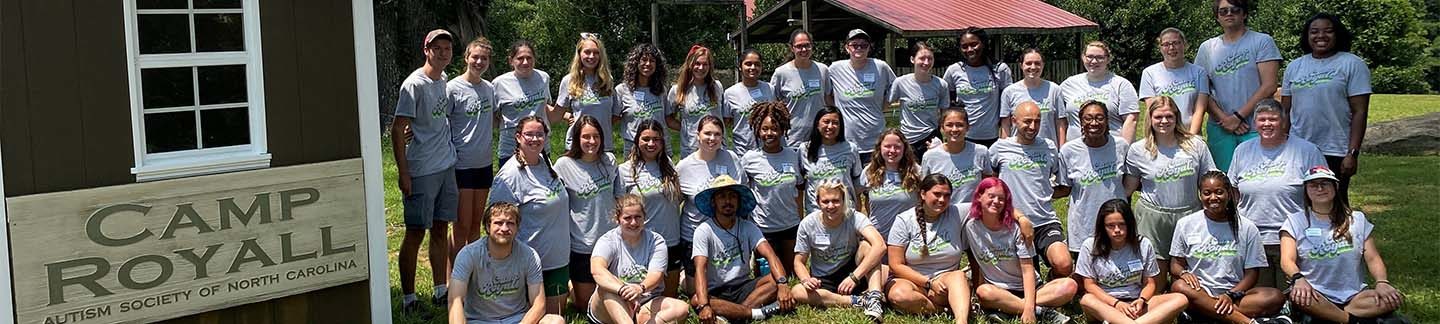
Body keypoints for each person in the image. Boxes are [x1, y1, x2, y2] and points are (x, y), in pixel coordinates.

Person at [1281, 167, 1405, 324]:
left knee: (1393, 298)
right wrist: (1298, 279)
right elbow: (1287, 260)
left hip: (1355, 296)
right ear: (1305, 190)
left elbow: (1373, 258)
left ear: (1336, 187)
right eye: (1313, 185)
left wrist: (1382, 282)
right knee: (1300, 297)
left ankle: (1334, 315)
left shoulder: (1357, 220)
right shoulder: (1294, 221)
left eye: (1325, 183)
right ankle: (1353, 321)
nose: (1320, 188)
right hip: (1315, 294)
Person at [1170, 171, 1290, 324]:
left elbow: (1252, 273)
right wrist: (1183, 272)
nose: (1213, 198)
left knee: (1274, 297)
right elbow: (1175, 264)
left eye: (1219, 192)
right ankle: (1247, 322)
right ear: (1200, 195)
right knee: (1179, 286)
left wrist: (1230, 295)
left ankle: (1206, 313)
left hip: (1235, 295)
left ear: (1229, 193)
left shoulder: (1247, 227)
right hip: (1199, 291)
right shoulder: (1186, 224)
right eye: (1207, 193)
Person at [1229, 100, 1326, 288]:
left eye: (1272, 119)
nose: (1267, 124)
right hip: (1252, 236)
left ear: (1283, 121)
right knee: (1262, 298)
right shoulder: (1243, 151)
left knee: (1292, 296)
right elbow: (1233, 191)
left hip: (1292, 236)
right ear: (1255, 122)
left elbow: (1322, 191)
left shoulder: (1306, 151)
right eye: (1262, 119)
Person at [1123, 96, 1217, 287]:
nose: (1164, 121)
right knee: (1155, 281)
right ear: (1150, 118)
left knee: (1186, 278)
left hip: (1189, 214)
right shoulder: (1138, 150)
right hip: (1153, 217)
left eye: (1169, 116)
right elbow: (1128, 189)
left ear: (1177, 117)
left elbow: (1209, 182)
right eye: (1158, 117)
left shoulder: (1196, 144)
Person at [394, 29, 458, 312]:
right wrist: (404, 172)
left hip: (446, 165)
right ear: (426, 49)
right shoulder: (414, 85)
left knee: (441, 228)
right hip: (421, 170)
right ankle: (409, 299)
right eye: (437, 48)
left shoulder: (443, 80)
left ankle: (440, 290)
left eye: (447, 48)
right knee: (415, 232)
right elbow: (398, 128)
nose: (443, 53)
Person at [1280, 13, 1372, 204]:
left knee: (1334, 202)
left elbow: (1360, 112)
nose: (1320, 36)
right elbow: (1286, 111)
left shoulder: (1352, 64)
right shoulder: (1295, 66)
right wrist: (1281, 146)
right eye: (1314, 32)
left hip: (1335, 149)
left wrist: (1352, 153)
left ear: (1337, 34)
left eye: (1328, 31)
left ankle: (1341, 234)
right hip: (1299, 147)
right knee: (1300, 200)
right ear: (1307, 36)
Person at [490, 116, 572, 314]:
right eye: (529, 134)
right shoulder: (509, 176)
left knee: (558, 311)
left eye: (539, 134)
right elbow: (497, 226)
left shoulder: (544, 161)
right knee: (544, 316)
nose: (535, 139)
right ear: (518, 137)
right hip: (531, 265)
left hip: (558, 260)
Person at [966, 177, 1077, 324]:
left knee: (1070, 286)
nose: (996, 202)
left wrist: (1029, 307)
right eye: (991, 196)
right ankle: (1042, 312)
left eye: (1001, 198)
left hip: (1030, 289)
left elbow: (1027, 269)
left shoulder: (1017, 229)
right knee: (983, 292)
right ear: (979, 197)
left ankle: (1008, 308)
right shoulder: (971, 227)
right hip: (999, 290)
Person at [690, 175, 795, 323]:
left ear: (739, 202)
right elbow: (700, 269)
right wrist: (705, 305)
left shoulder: (748, 227)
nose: (728, 201)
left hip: (744, 286)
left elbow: (770, 255)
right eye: (722, 197)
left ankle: (734, 314)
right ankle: (755, 313)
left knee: (774, 280)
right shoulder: (704, 230)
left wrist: (783, 284)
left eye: (732, 196)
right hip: (717, 291)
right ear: (713, 202)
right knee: (697, 300)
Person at [1197, 0, 1283, 172]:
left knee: (1256, 180)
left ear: (1244, 14)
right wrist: (1225, 120)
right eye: (1223, 11)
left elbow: (1269, 86)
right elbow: (1201, 90)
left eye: (1235, 10)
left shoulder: (1262, 42)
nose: (1229, 14)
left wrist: (1237, 117)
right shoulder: (1207, 48)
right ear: (1217, 17)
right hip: (1220, 128)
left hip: (1255, 126)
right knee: (1224, 183)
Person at [991, 102, 1073, 279]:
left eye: (1037, 121)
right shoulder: (999, 148)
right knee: (1024, 277)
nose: (1033, 127)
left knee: (1064, 264)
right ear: (1014, 121)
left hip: (1044, 220)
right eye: (1027, 121)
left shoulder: (1049, 147)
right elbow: (989, 183)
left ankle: (1051, 283)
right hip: (1011, 222)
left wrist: (1043, 193)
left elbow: (1064, 186)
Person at [447, 202, 565, 324]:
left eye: (510, 223)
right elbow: (455, 300)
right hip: (479, 320)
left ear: (517, 228)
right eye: (498, 223)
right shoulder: (468, 254)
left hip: (518, 319)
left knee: (556, 321)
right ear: (488, 227)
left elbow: (538, 304)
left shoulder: (529, 255)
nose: (504, 228)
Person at [1076, 199, 1189, 324]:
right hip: (1106, 303)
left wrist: (1142, 299)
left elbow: (1150, 283)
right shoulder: (1090, 246)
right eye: (1110, 226)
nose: (1117, 230)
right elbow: (1089, 285)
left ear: (1129, 224)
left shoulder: (1143, 244)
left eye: (1122, 224)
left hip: (1136, 301)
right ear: (1102, 227)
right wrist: (1116, 303)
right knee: (1087, 300)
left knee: (1180, 299)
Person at [555, 116, 626, 310]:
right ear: (577, 138)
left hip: (610, 242)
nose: (592, 141)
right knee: (585, 306)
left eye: (596, 136)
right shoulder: (564, 165)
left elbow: (620, 198)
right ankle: (572, 285)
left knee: (615, 298)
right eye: (586, 137)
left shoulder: (609, 161)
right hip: (582, 244)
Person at [791, 180, 888, 321]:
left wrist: (854, 277)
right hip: (823, 278)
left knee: (868, 246)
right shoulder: (808, 224)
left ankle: (873, 299)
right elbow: (799, 261)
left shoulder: (854, 217)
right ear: (818, 202)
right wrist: (806, 279)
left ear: (844, 201)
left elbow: (880, 246)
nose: (831, 206)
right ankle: (857, 301)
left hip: (852, 271)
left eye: (836, 201)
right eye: (825, 201)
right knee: (797, 291)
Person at [588, 195, 691, 324]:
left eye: (638, 217)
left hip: (645, 301)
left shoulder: (656, 241)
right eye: (627, 218)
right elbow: (597, 270)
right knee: (605, 288)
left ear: (644, 218)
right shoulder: (607, 241)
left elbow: (656, 274)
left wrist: (640, 289)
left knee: (681, 308)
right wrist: (624, 291)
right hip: (613, 302)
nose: (633, 223)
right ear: (617, 219)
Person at [885, 174, 973, 323]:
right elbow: (895, 264)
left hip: (945, 282)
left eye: (947, 195)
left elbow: (989, 203)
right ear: (923, 194)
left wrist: (1022, 219)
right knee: (899, 295)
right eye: (937, 194)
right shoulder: (904, 220)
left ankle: (961, 320)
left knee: (958, 276)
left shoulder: (957, 213)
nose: (942, 200)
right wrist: (929, 283)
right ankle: (944, 310)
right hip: (911, 282)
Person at [617, 120, 686, 298]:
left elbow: (677, 198)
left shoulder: (669, 165)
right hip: (644, 242)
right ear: (637, 141)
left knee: (669, 297)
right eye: (646, 139)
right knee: (644, 296)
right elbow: (620, 208)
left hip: (671, 240)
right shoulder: (625, 170)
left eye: (656, 139)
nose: (651, 144)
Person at [677, 116, 746, 278]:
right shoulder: (684, 167)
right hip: (693, 235)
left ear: (722, 137)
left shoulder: (731, 158)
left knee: (724, 283)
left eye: (717, 134)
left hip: (726, 233)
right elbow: (675, 204)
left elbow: (740, 192)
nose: (712, 138)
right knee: (695, 291)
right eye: (707, 133)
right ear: (698, 134)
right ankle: (684, 277)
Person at [1058, 100, 1130, 253]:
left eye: (1099, 118)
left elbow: (1129, 182)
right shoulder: (1068, 151)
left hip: (1116, 225)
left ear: (1107, 120)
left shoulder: (1121, 146)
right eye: (1088, 118)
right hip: (1083, 224)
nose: (1094, 123)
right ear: (1080, 122)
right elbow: (1065, 188)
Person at [447, 36, 496, 256]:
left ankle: (472, 275)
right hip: (461, 164)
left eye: (484, 58)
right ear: (466, 57)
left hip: (484, 163)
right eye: (475, 57)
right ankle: (453, 279)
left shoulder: (489, 89)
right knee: (461, 226)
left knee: (476, 224)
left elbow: (498, 117)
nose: (479, 62)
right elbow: (440, 122)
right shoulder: (453, 88)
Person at [740, 102, 804, 271]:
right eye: (764, 129)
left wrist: (800, 219)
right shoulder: (749, 159)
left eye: (774, 129)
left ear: (783, 130)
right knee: (768, 277)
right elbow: (743, 193)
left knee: (792, 274)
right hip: (763, 228)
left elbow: (799, 191)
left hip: (790, 226)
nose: (770, 133)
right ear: (758, 131)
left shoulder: (793, 155)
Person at [828, 29, 896, 164]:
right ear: (847, 48)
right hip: (846, 141)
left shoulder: (880, 67)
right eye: (854, 45)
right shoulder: (835, 69)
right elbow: (826, 94)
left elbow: (896, 88)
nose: (859, 48)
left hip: (875, 140)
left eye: (864, 45)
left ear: (869, 47)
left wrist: (884, 105)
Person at [495, 40, 563, 165]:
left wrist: (566, 114)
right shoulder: (499, 83)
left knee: (542, 183)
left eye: (529, 58)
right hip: (511, 148)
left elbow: (544, 105)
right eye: (520, 58)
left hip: (540, 146)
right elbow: (494, 117)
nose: (525, 62)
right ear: (511, 60)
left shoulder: (543, 78)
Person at [944, 28, 1013, 148]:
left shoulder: (1000, 69)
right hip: (962, 136)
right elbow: (946, 102)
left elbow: (1008, 105)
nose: (969, 50)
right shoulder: (954, 70)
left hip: (992, 138)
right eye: (964, 46)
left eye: (974, 44)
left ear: (984, 43)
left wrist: (1005, 135)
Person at [1060, 41, 1140, 143]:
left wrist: (1124, 149)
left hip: (1111, 149)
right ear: (1083, 57)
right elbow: (1059, 119)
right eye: (1089, 56)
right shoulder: (1068, 84)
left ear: (1108, 59)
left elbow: (1131, 119)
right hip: (1076, 151)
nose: (1094, 61)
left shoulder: (1121, 85)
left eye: (1099, 57)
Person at [1139, 28, 1210, 136]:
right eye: (1166, 44)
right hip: (1163, 135)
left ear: (1184, 44)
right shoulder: (1149, 73)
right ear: (1160, 48)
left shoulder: (1199, 72)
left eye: (1176, 43)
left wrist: (1191, 138)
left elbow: (1200, 110)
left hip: (1191, 133)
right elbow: (1153, 111)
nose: (1171, 48)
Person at [557, 33, 620, 151]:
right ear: (579, 54)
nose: (591, 56)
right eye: (587, 52)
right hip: (576, 146)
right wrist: (569, 116)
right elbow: (558, 111)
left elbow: (616, 115)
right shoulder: (569, 80)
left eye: (596, 53)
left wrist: (600, 125)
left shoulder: (607, 79)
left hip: (604, 145)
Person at [921, 108, 992, 206]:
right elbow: (925, 189)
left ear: (967, 127)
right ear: (942, 128)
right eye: (949, 125)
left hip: (972, 212)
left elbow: (987, 185)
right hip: (943, 212)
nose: (954, 129)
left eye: (960, 125)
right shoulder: (930, 156)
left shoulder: (981, 152)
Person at [772, 29, 830, 147]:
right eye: (799, 46)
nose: (804, 50)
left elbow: (828, 99)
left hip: (818, 137)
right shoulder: (781, 73)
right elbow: (773, 105)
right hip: (792, 139)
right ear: (791, 48)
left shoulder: (822, 70)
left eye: (807, 45)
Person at [858, 128, 921, 238]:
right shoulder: (869, 171)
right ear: (880, 148)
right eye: (887, 146)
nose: (892, 150)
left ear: (904, 149)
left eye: (897, 147)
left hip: (907, 236)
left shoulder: (916, 172)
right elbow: (859, 196)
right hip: (878, 237)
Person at [892, 41, 951, 155]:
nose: (926, 62)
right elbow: (884, 105)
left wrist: (944, 140)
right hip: (907, 140)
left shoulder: (941, 85)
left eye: (930, 58)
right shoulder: (900, 83)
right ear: (912, 59)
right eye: (922, 58)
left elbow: (945, 115)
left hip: (932, 138)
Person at [800, 107, 862, 213]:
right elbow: (800, 183)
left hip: (845, 210)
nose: (830, 126)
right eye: (826, 122)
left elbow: (856, 180)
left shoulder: (850, 148)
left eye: (835, 123)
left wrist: (858, 206)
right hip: (816, 212)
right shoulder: (804, 149)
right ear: (817, 124)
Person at [668, 45, 726, 157]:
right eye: (697, 63)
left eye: (705, 64)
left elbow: (724, 116)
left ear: (710, 66)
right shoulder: (677, 90)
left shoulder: (717, 87)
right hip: (691, 149)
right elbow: (668, 118)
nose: (701, 68)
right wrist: (686, 128)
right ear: (690, 64)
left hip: (717, 147)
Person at [1000, 49, 1066, 146]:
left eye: (1037, 63)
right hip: (1018, 151)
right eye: (1028, 63)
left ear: (1043, 65)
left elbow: (1060, 123)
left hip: (1047, 151)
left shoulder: (1054, 90)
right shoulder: (1009, 92)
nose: (1033, 67)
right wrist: (1005, 149)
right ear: (1021, 65)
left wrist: (1062, 151)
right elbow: (1005, 125)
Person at [616, 43, 670, 156]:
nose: (648, 64)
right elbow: (612, 118)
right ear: (635, 63)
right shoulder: (622, 90)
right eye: (644, 60)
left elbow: (667, 119)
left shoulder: (661, 90)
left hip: (658, 146)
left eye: (652, 61)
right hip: (633, 148)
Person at [726, 49, 776, 154]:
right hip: (742, 151)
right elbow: (727, 123)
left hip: (767, 150)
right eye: (748, 64)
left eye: (757, 64)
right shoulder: (730, 93)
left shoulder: (769, 89)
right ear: (740, 67)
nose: (753, 68)